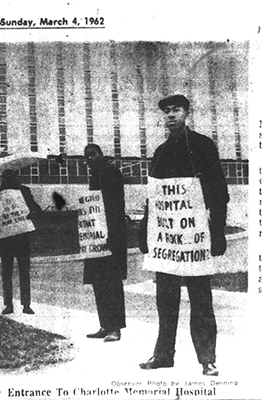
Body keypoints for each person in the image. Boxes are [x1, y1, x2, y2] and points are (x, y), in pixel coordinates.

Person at [138, 95, 229, 376]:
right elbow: (154, 197)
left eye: (176, 110)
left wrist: (218, 232)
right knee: (166, 300)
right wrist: (145, 231)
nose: (170, 115)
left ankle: (207, 359)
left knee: (201, 299)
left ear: (187, 113)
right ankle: (163, 355)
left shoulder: (202, 145)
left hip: (196, 240)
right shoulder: (161, 152)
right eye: (166, 111)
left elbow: (218, 190)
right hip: (167, 241)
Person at [83, 144, 127, 342]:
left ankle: (115, 328)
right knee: (99, 282)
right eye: (87, 157)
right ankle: (104, 324)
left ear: (100, 154)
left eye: (92, 155)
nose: (89, 159)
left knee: (111, 282)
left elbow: (116, 205)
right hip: (96, 236)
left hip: (111, 234)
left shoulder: (110, 171)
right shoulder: (95, 175)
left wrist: (112, 233)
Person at [0, 169, 42, 315]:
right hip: (6, 238)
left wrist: (33, 213)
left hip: (21, 237)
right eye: (6, 176)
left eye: (11, 176)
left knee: (24, 271)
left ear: (15, 177)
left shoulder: (24, 191)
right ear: (3, 178)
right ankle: (8, 304)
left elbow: (36, 208)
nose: (9, 179)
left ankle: (26, 304)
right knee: (7, 272)